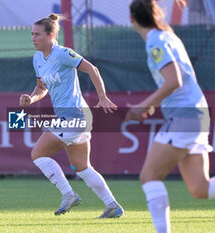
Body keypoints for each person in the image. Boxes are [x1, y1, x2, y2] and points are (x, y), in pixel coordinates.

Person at [19, 13, 124, 218]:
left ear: (51, 35)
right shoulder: (38, 58)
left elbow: (92, 69)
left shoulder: (63, 53)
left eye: (37, 34)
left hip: (75, 115)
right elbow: (42, 87)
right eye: (32, 34)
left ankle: (68, 194)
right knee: (82, 167)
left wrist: (102, 97)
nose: (33, 38)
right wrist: (31, 99)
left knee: (38, 154)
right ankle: (112, 206)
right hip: (71, 117)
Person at [126, 0, 214, 232]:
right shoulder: (168, 36)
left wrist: (142, 105)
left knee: (149, 176)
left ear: (131, 19)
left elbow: (174, 80)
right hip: (195, 114)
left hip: (185, 116)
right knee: (200, 189)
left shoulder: (157, 40)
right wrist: (153, 103)